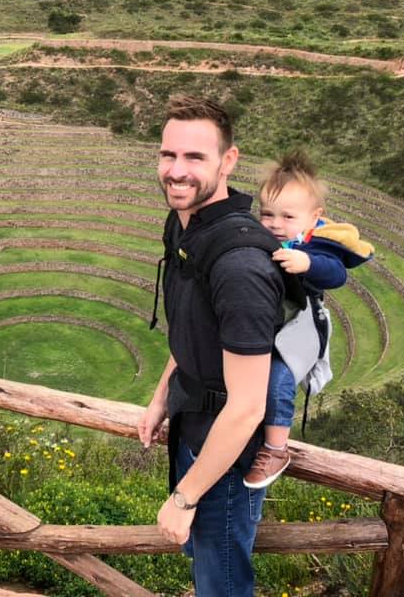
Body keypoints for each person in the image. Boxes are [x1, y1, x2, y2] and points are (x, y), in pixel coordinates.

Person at [139, 95, 284, 597]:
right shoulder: (184, 227)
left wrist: (183, 498)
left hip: (226, 453)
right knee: (207, 569)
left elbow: (247, 408)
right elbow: (191, 329)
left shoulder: (239, 264)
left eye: (195, 157)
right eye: (168, 155)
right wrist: (161, 396)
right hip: (193, 422)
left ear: (228, 161)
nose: (176, 171)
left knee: (221, 583)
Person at [245, 151, 374, 490]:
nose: (275, 223)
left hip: (299, 328)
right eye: (267, 214)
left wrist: (307, 263)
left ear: (314, 216)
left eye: (288, 216)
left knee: (279, 377)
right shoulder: (265, 238)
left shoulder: (317, 246)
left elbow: (337, 274)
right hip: (268, 321)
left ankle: (276, 448)